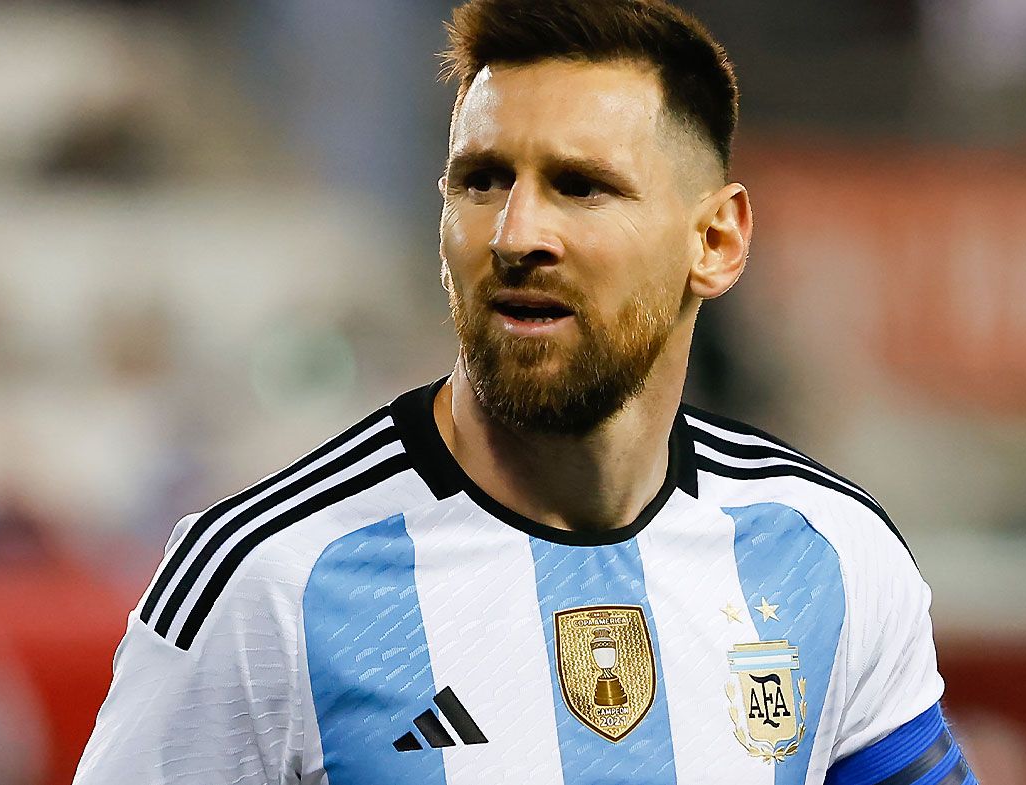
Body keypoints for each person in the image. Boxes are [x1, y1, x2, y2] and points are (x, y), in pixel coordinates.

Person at [73, 1, 974, 784]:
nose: (515, 234)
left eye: (580, 187)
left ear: (716, 240)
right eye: (482, 180)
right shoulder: (267, 576)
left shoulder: (830, 550)